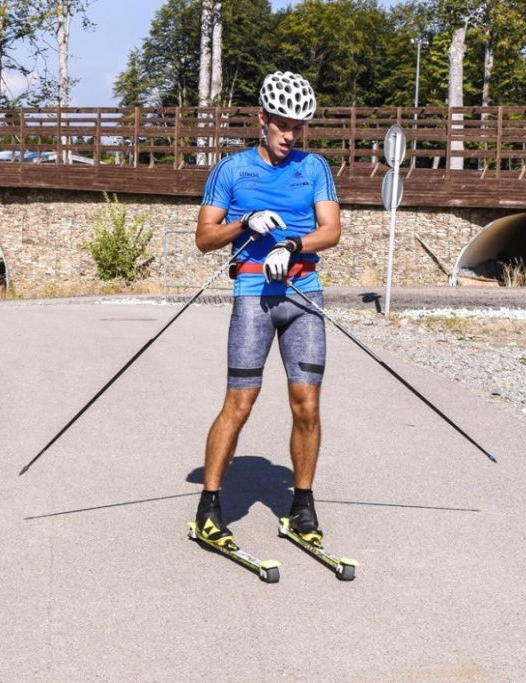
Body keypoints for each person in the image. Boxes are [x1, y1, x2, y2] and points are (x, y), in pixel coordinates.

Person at [193, 71, 341, 549]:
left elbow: (331, 231)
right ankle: (209, 507)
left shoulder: (314, 167)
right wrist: (244, 223)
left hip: (302, 295)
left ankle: (301, 506)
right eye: (282, 125)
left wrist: (294, 246)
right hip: (253, 297)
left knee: (307, 405)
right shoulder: (232, 171)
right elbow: (204, 239)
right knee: (240, 403)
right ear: (261, 118)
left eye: (298, 127)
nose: (289, 135)